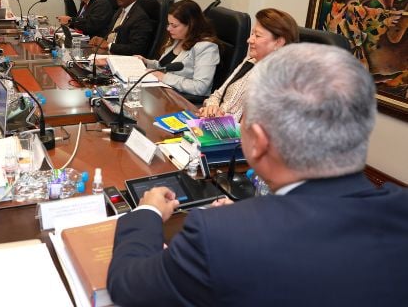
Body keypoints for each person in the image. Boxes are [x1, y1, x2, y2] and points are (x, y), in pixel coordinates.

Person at [107, 42, 408, 306]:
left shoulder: (218, 236)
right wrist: (245, 216)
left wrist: (146, 211)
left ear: (259, 141)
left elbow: (127, 286)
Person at [199, 8, 299, 121]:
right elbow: (217, 95)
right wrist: (212, 107)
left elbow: (257, 127)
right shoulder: (250, 60)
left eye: (258, 36)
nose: (249, 40)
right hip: (217, 128)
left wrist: (223, 119)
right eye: (252, 33)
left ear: (279, 42)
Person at [137, 0, 220, 97]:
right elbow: (164, 66)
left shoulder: (206, 48)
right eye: (169, 24)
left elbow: (200, 87)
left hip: (184, 100)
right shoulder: (179, 38)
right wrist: (147, 62)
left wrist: (164, 77)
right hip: (164, 92)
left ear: (191, 25)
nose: (168, 29)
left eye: (174, 25)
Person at [89, 0, 153, 56]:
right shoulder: (120, 10)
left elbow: (137, 49)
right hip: (109, 54)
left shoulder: (140, 17)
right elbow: (111, 34)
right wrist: (99, 40)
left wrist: (109, 45)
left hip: (123, 59)